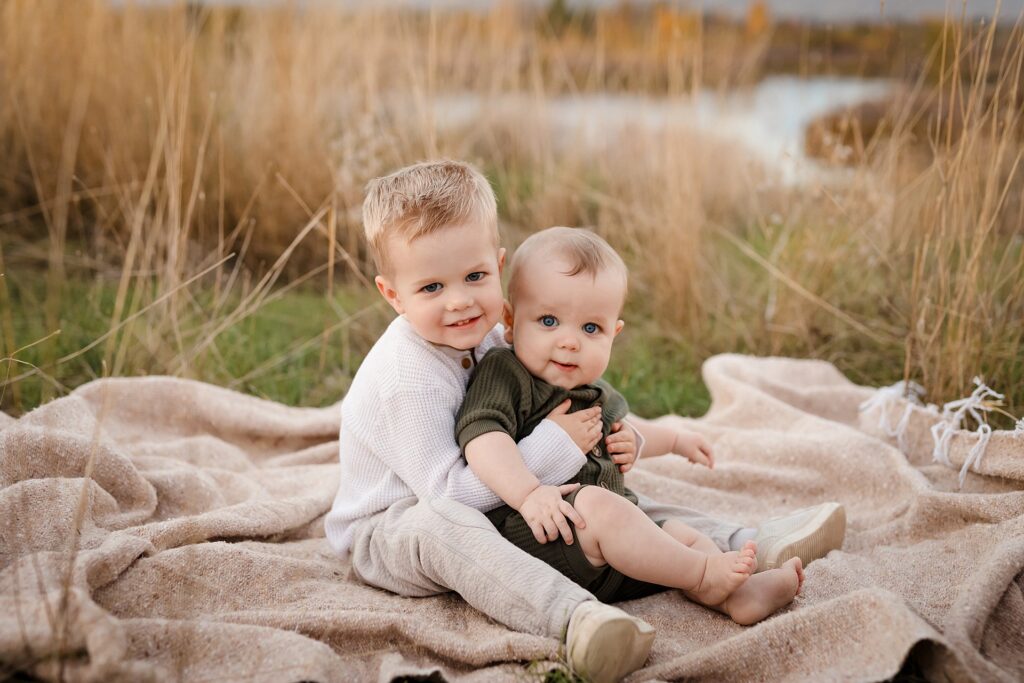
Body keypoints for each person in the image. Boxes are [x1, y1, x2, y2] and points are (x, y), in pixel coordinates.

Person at [325, 160, 845, 681]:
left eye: (475, 276)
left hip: (498, 487)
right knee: (454, 525)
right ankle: (575, 619)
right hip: (398, 523)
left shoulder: (488, 331)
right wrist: (552, 453)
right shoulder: (405, 377)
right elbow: (447, 493)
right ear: (393, 295)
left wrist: (627, 440)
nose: (459, 300)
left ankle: (744, 544)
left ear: (498, 266)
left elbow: (567, 407)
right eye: (431, 288)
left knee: (600, 486)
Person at [456, 227, 815, 624]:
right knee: (600, 506)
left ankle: (735, 596)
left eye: (591, 328)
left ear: (614, 333)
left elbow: (630, 425)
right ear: (510, 320)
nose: (570, 341)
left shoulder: (591, 389)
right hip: (542, 537)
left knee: (679, 535)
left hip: (618, 553)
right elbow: (482, 437)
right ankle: (702, 575)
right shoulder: (506, 373)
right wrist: (528, 495)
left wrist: (674, 439)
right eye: (548, 320)